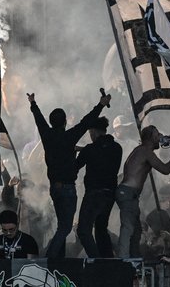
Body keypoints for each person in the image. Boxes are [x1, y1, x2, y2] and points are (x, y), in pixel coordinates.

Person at [27, 89, 111, 258]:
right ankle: (50, 259)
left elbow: (39, 120)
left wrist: (33, 103)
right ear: (65, 122)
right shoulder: (69, 136)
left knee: (62, 226)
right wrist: (101, 104)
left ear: (52, 123)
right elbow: (86, 122)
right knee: (65, 228)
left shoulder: (47, 135)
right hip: (67, 188)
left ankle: (59, 258)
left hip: (55, 188)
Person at [115, 125, 170, 258]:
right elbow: (165, 169)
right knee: (128, 227)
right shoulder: (145, 151)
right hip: (128, 192)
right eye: (157, 135)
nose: (160, 137)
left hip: (130, 194)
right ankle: (122, 261)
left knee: (136, 230)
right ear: (150, 138)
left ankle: (134, 258)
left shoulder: (142, 151)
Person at [75, 116, 122, 258]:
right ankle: (108, 260)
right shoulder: (116, 148)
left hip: (94, 194)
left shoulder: (90, 149)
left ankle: (97, 260)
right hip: (110, 194)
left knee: (83, 230)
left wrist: (76, 152)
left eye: (90, 133)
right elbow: (101, 150)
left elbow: (74, 167)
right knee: (101, 229)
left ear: (93, 132)